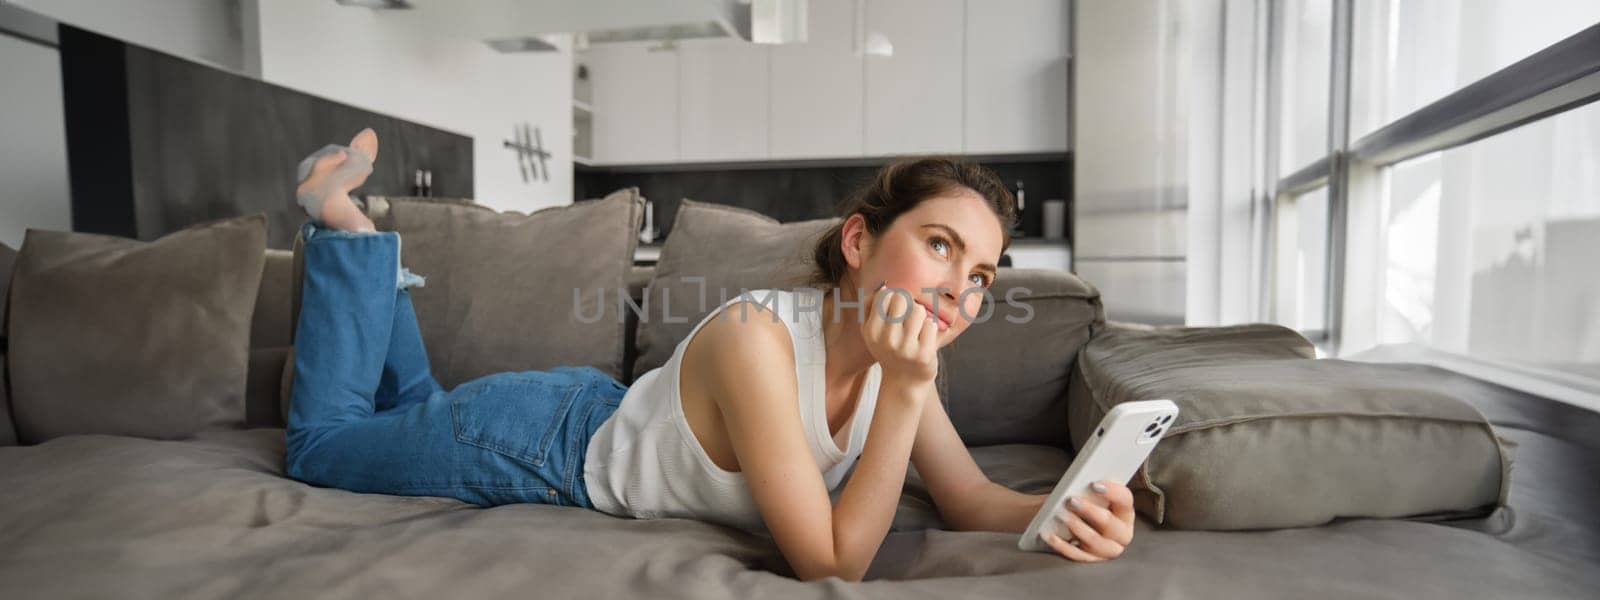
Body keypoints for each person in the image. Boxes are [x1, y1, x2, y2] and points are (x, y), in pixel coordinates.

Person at [284, 128, 1137, 582]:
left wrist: (1068, 511)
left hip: (584, 411)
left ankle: (370, 258)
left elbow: (972, 498)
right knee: (324, 446)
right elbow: (831, 563)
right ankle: (342, 223)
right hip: (538, 443)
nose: (962, 290)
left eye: (982, 274)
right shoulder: (756, 340)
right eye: (941, 245)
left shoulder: (898, 358)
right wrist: (907, 394)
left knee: (411, 408)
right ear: (857, 242)